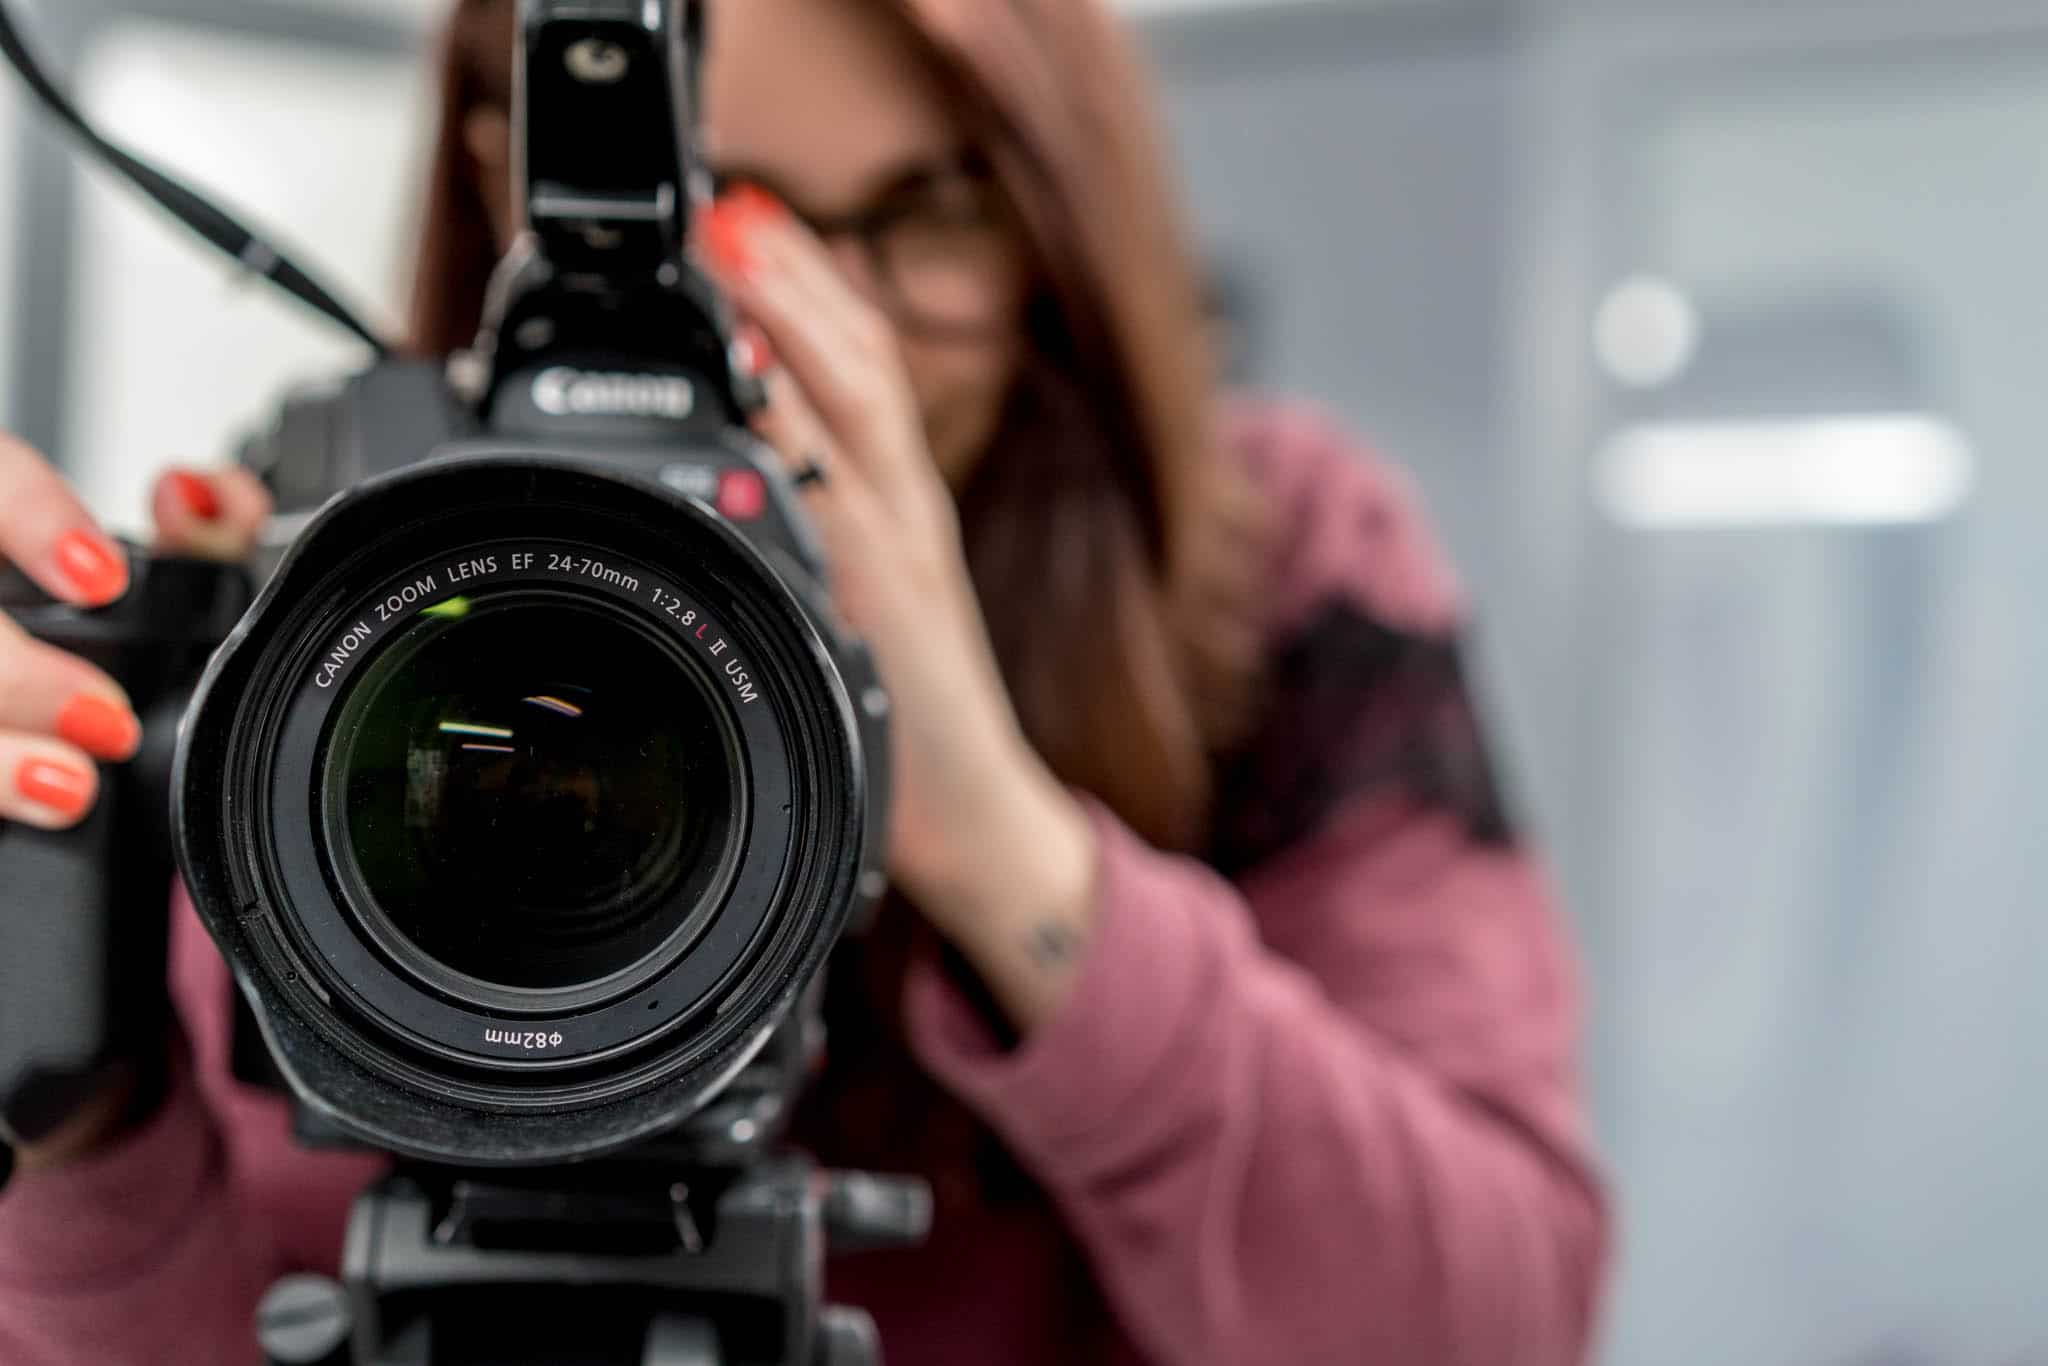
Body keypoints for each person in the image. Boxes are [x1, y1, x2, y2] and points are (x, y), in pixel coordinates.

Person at [0, 0, 1611, 1361]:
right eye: (736, 217)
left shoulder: (1275, 571)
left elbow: (1490, 1317)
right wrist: (75, 1100)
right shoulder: (330, 599)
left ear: (1055, 228)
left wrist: (992, 829)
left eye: (933, 214)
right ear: (511, 177)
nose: (827, 325)